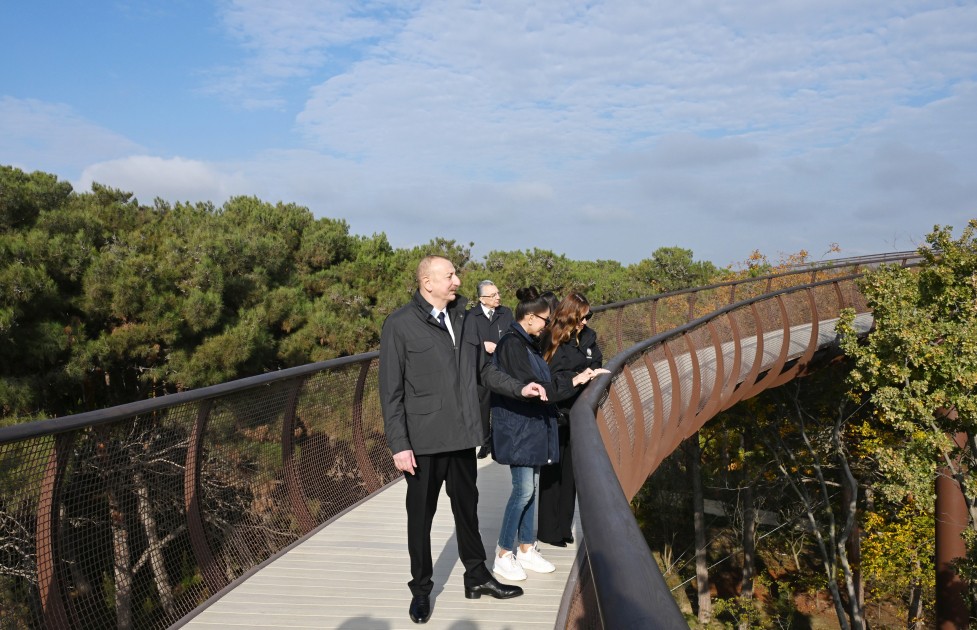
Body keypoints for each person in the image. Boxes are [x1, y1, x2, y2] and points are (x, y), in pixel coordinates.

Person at [379, 256, 547, 624]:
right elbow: (390, 391)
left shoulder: (465, 319)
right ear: (428, 282)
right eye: (450, 275)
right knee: (420, 518)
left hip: (462, 437)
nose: (457, 281)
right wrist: (399, 444)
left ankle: (477, 577)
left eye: (455, 274)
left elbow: (485, 371)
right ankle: (421, 589)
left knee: (467, 511)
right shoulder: (400, 324)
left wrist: (520, 388)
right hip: (422, 442)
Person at [489, 287, 606, 581]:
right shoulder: (513, 345)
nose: (547, 324)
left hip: (532, 428)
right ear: (530, 317)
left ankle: (526, 548)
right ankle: (503, 553)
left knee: (531, 489)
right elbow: (540, 390)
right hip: (520, 429)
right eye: (544, 319)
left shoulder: (526, 342)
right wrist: (576, 380)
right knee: (523, 491)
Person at [538, 292, 604, 547]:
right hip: (555, 412)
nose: (586, 322)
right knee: (552, 471)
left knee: (570, 472)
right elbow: (550, 376)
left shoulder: (588, 336)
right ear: (570, 315)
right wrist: (577, 376)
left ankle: (564, 528)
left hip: (578, 411)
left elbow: (595, 361)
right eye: (582, 317)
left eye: (588, 317)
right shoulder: (550, 337)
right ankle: (548, 530)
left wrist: (581, 373)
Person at [462, 280, 514, 459]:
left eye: (498, 293)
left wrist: (500, 347)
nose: (498, 297)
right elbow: (466, 341)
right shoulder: (470, 316)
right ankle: (485, 443)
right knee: (482, 406)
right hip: (480, 367)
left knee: (502, 404)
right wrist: (482, 345)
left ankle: (501, 441)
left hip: (502, 367)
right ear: (482, 299)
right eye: (493, 295)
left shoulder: (506, 313)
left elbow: (512, 336)